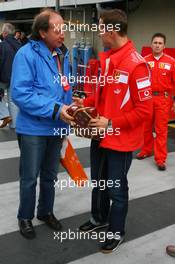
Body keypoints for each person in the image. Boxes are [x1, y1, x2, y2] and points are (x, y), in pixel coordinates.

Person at [75, 9, 152, 253]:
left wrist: (110, 124)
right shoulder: (109, 59)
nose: (98, 31)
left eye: (101, 27)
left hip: (119, 140)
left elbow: (145, 111)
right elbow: (101, 96)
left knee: (116, 189)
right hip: (100, 135)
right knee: (99, 183)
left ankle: (116, 232)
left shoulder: (137, 65)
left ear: (112, 30)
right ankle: (99, 219)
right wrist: (84, 104)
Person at [11, 8, 73, 239]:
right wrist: (57, 109)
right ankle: (25, 216)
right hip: (34, 128)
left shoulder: (62, 54)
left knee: (50, 175)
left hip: (55, 127)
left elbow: (64, 87)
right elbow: (21, 93)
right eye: (57, 30)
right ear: (42, 31)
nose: (62, 34)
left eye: (63, 29)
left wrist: (72, 106)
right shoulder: (26, 54)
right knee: (29, 177)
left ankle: (45, 211)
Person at [136, 33, 175, 170]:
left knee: (161, 130)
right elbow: (139, 81)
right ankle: (147, 150)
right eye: (155, 42)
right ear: (151, 44)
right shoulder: (144, 61)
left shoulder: (171, 62)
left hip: (163, 99)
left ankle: (160, 159)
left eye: (160, 43)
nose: (157, 45)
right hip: (147, 98)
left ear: (164, 45)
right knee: (145, 127)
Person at [0, 23, 21, 128]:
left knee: (1, 97)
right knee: (12, 100)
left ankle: (5, 115)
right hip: (17, 76)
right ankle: (14, 124)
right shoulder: (19, 45)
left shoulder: (2, 45)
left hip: (3, 78)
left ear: (5, 33)